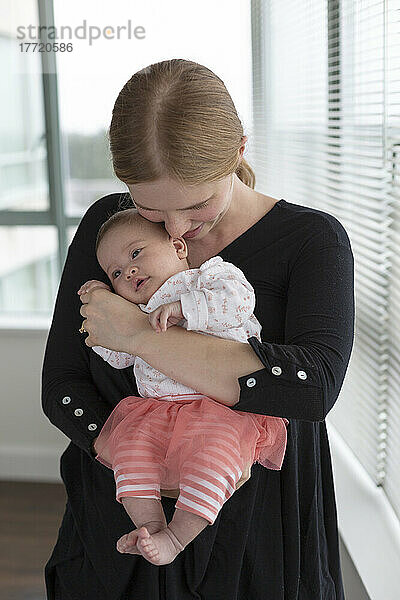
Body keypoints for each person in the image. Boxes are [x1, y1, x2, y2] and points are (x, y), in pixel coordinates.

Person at [42, 59, 354, 599]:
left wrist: (139, 336)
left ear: (238, 148)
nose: (177, 229)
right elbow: (63, 383)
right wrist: (138, 462)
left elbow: (312, 388)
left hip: (260, 540)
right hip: (118, 531)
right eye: (150, 208)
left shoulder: (311, 241)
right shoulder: (110, 230)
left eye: (196, 205)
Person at [76, 208, 288, 566]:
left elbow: (239, 302)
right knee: (130, 457)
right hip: (156, 412)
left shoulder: (207, 277)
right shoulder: (139, 310)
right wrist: (104, 310)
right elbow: (118, 357)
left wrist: (184, 308)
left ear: (177, 247)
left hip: (217, 408)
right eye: (115, 273)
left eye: (135, 253)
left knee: (212, 465)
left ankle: (178, 536)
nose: (127, 270)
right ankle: (149, 525)